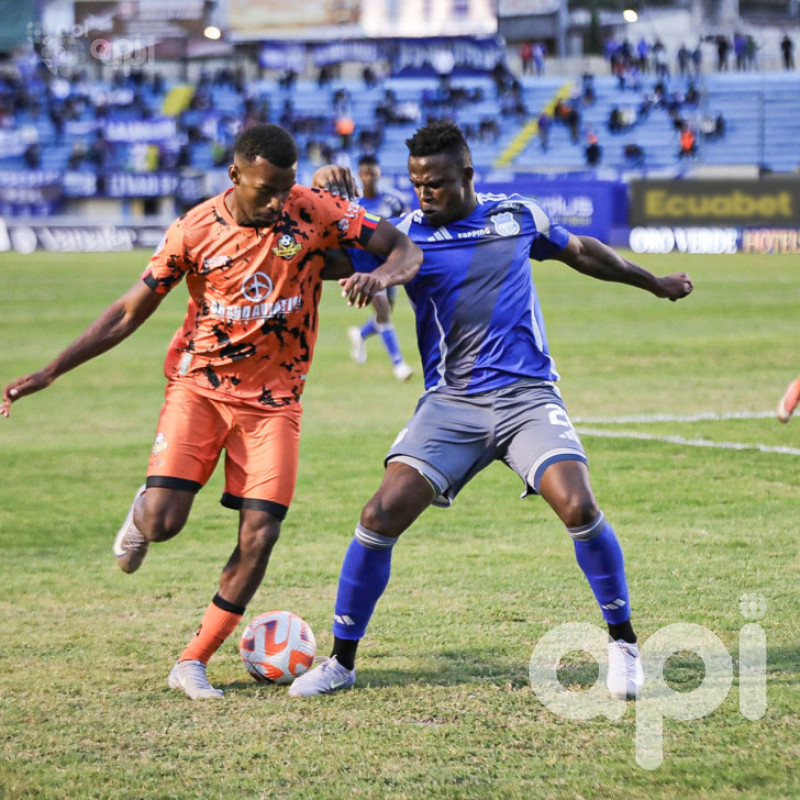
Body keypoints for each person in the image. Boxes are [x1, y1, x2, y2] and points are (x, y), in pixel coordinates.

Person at [0, 123, 422, 700]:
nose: (278, 203)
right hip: (200, 389)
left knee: (261, 531)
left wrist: (376, 272)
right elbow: (129, 312)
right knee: (164, 523)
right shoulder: (194, 230)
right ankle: (144, 510)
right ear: (235, 175)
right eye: (266, 190)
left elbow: (402, 248)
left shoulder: (312, 210)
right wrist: (51, 371)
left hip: (275, 403)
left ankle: (191, 660)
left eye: (287, 189)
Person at [290, 121, 693, 700]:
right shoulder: (403, 234)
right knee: (378, 515)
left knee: (577, 503)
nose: (424, 193)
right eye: (417, 184)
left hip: (526, 397)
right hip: (450, 405)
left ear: (467, 176)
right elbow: (317, 257)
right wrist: (325, 201)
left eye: (436, 183)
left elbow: (583, 252)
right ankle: (341, 662)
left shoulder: (516, 217)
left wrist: (653, 282)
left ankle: (624, 646)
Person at [346, 155, 415, 381]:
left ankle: (360, 333)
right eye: (365, 174)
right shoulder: (354, 206)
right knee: (383, 312)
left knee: (384, 313)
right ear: (360, 175)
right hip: (364, 262)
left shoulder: (393, 201)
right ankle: (399, 364)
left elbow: (407, 226)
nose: (369, 178)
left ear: (379, 173)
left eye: (373, 173)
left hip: (388, 263)